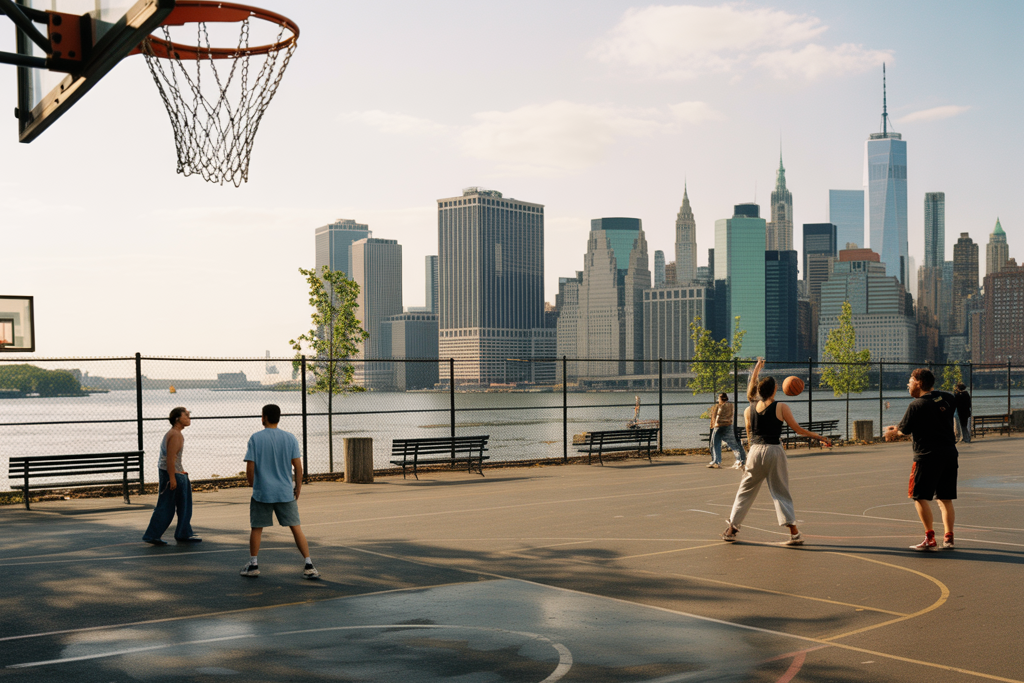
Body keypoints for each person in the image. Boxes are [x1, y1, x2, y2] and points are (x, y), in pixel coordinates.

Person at [721, 358, 832, 546]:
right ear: (774, 390)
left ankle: (732, 529)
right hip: (774, 450)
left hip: (755, 451)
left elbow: (749, 431)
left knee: (744, 492)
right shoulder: (781, 407)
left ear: (758, 391)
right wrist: (822, 438)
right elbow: (799, 430)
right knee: (780, 492)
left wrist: (757, 368)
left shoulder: (749, 409)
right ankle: (795, 534)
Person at [240, 404, 319, 579]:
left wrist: (254, 485)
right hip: (284, 492)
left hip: (263, 493)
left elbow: (250, 468)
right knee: (296, 528)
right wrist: (298, 487)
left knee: (257, 528)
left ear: (264, 417)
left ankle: (253, 565)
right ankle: (309, 564)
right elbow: (298, 467)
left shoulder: (256, 438)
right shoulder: (290, 438)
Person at [885, 369, 959, 551]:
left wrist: (891, 432)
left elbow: (904, 430)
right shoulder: (948, 398)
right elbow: (935, 415)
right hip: (949, 454)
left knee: (918, 496)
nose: (908, 385)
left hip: (927, 456)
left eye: (910, 381)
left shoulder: (916, 405)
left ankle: (930, 538)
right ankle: (948, 538)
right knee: (945, 498)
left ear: (918, 382)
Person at [143, 407, 201, 545]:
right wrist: (173, 477)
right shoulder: (175, 434)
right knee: (173, 505)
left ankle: (181, 533)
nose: (189, 417)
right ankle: (166, 534)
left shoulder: (174, 433)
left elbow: (172, 459)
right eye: (185, 415)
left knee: (173, 505)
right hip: (173, 473)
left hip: (174, 472)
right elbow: (170, 458)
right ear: (177, 419)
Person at [708, 393, 746, 469]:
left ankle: (716, 461)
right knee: (733, 444)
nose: (718, 400)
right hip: (728, 425)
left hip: (718, 426)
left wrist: (715, 422)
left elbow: (717, 416)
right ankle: (740, 460)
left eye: (718, 398)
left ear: (721, 399)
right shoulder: (731, 405)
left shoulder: (720, 406)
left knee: (715, 444)